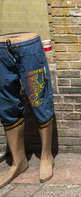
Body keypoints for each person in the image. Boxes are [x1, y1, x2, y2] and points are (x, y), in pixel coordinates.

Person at [0, 33, 55, 188]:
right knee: (6, 107)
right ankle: (18, 162)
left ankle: (46, 156)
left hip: (28, 48)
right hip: (0, 52)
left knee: (39, 101)